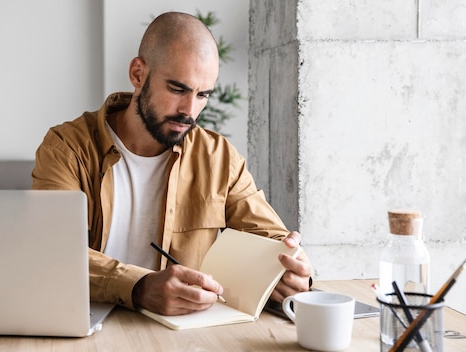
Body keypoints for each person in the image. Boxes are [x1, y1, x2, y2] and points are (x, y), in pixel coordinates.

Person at [31, 11, 312, 316]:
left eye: (203, 94)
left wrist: (292, 270)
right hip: (90, 325)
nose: (189, 111)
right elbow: (50, 251)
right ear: (138, 74)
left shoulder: (219, 157)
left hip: (185, 335)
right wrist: (139, 286)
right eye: (177, 89)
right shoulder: (66, 148)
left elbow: (270, 240)